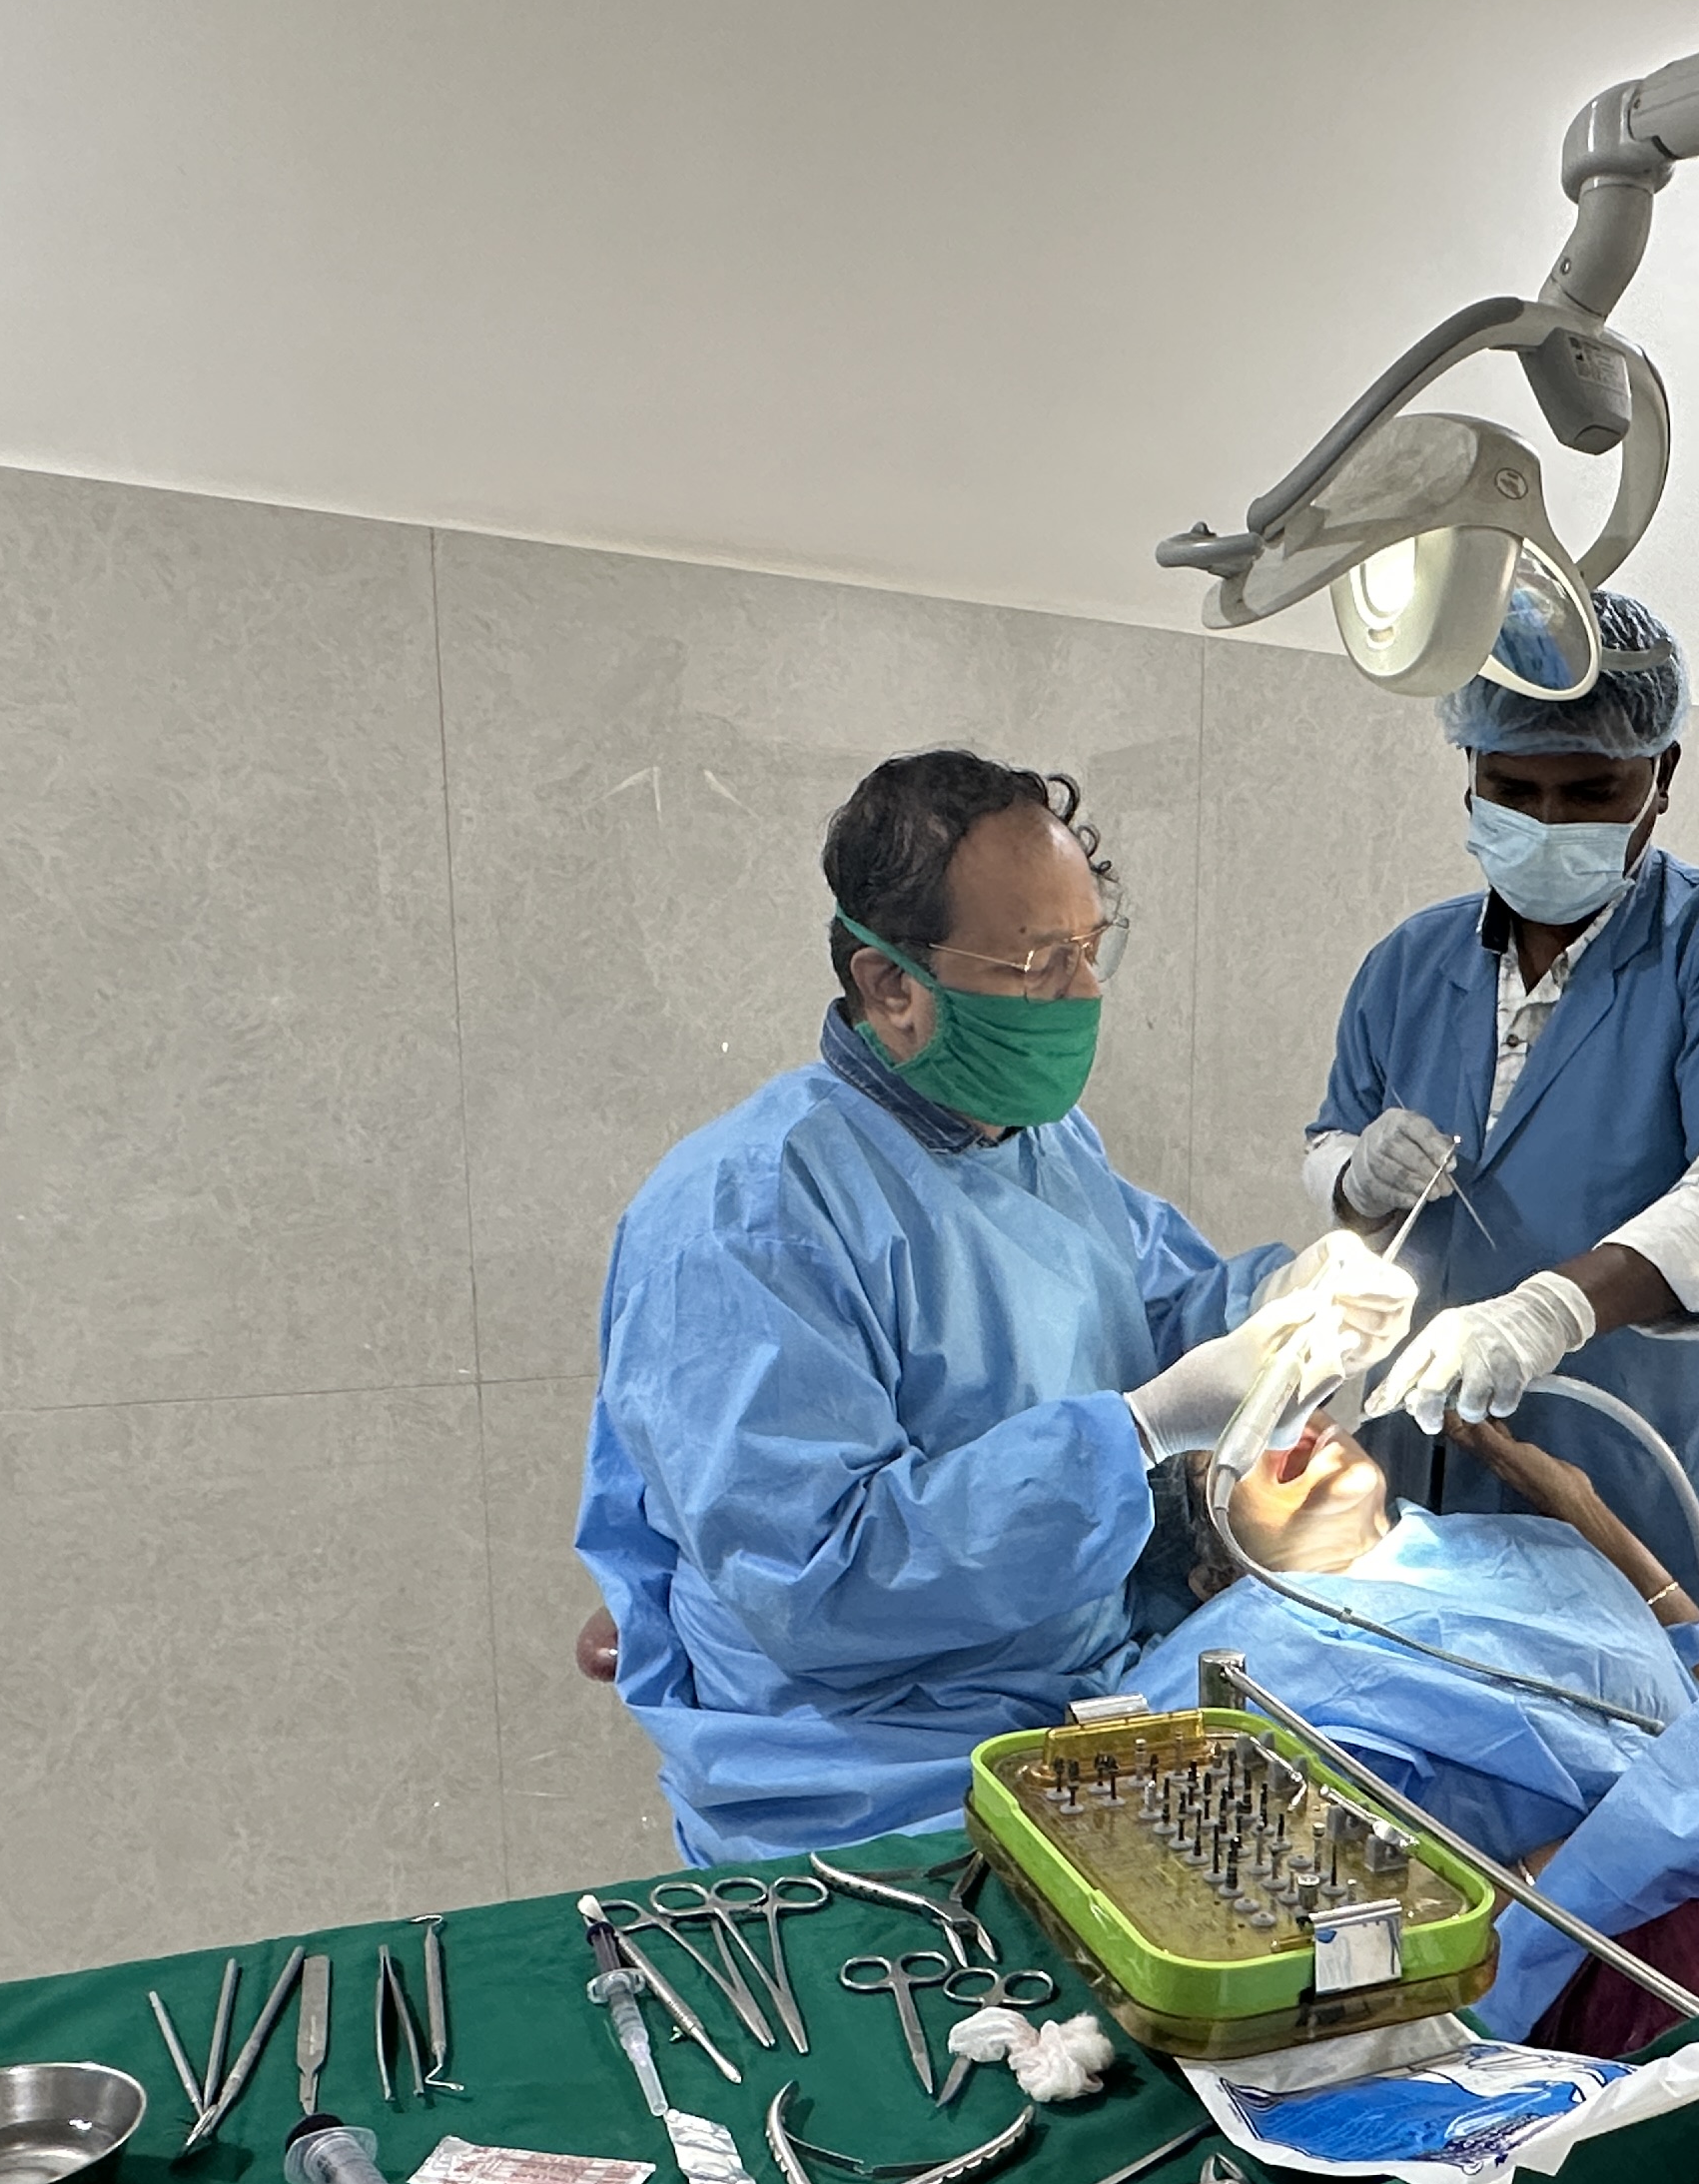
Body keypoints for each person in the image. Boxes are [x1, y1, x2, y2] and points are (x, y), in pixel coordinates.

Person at [579, 750, 1405, 1861]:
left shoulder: (1040, 1146)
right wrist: (1140, 1430)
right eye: (1038, 963)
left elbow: (1159, 1308)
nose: (1084, 994)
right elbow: (826, 1583)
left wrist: (1289, 1303)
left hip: (1083, 1694)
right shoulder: (747, 1213)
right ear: (891, 987)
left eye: (1091, 951)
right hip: (872, 1778)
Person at [1309, 593, 1699, 1616]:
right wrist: (1354, 1173)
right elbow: (1333, 1154)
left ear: (1662, 777)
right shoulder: (1410, 963)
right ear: (1470, 779)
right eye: (1513, 789)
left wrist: (1550, 1311)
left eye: (1590, 792)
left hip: (1622, 1497)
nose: (1548, 822)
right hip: (1415, 1481)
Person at [1133, 1417, 1699, 2030]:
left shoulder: (1523, 1549)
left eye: (1290, 1400)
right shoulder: (1245, 1661)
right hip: (1643, 1997)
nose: (1292, 1426)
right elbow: (1335, 1969)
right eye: (1238, 1444)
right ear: (1214, 1572)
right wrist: (1601, 1854)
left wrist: (1584, 1508)